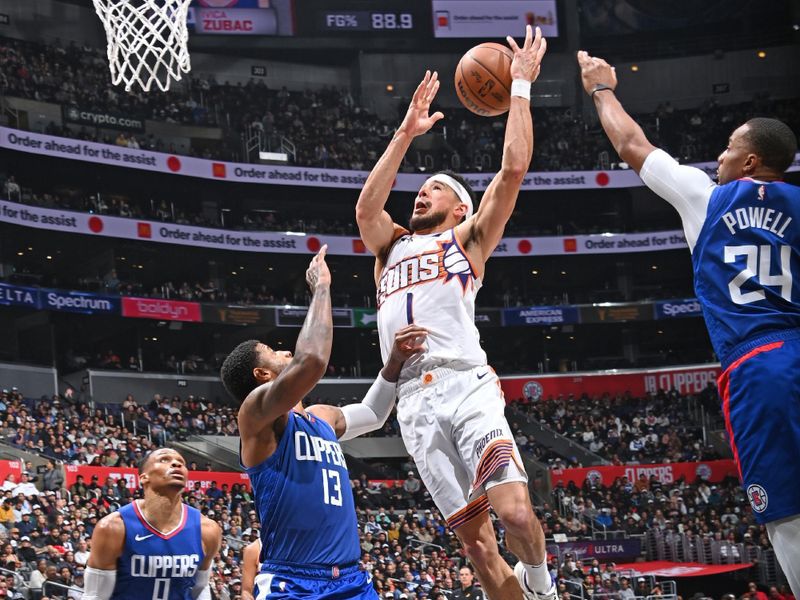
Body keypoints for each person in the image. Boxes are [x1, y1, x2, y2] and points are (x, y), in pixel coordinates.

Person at [577, 50, 800, 595]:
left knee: (789, 514)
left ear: (750, 163)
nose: (720, 157)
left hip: (759, 365)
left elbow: (632, 146)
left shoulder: (708, 196)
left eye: (729, 149)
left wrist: (602, 89)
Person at [354, 25, 553, 600]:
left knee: (515, 516)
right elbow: (367, 207)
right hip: (413, 402)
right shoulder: (389, 246)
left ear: (460, 206)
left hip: (466, 386)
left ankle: (541, 581)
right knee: (477, 549)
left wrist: (518, 87)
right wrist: (404, 134)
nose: (421, 193)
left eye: (434, 189)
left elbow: (512, 170)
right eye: (421, 187)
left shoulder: (467, 241)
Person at [220, 246, 426, 600]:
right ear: (261, 374)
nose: (285, 351)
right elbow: (312, 360)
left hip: (350, 579)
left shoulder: (321, 417)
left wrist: (393, 364)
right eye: (273, 351)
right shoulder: (255, 414)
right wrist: (321, 288)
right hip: (293, 581)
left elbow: (374, 414)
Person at [82, 448, 222, 600]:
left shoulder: (207, 530)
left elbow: (200, 589)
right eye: (164, 460)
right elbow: (95, 596)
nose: (176, 464)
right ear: (144, 477)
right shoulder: (113, 527)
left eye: (181, 462)